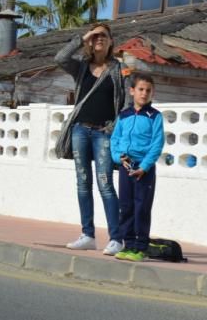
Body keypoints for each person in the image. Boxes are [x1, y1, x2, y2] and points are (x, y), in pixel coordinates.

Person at [53, 23, 128, 256]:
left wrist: (113, 128)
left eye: (103, 36)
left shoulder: (118, 69)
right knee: (82, 184)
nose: (99, 39)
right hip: (80, 131)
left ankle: (116, 238)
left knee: (105, 184)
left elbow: (123, 101)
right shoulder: (82, 68)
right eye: (95, 36)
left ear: (111, 41)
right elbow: (60, 58)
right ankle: (87, 235)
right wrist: (83, 37)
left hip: (103, 133)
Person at [109, 72, 164, 262]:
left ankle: (140, 248)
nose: (144, 93)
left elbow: (157, 144)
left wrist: (145, 166)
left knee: (142, 208)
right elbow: (115, 139)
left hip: (143, 170)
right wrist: (118, 157)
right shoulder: (123, 115)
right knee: (126, 206)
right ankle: (128, 244)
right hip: (126, 166)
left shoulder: (154, 116)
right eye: (141, 89)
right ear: (132, 91)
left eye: (148, 90)